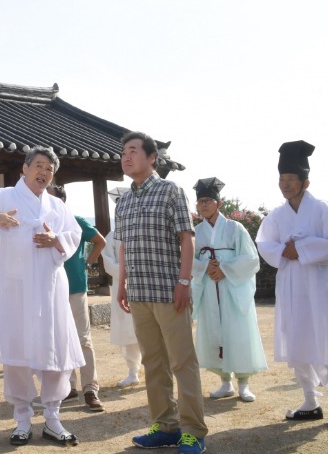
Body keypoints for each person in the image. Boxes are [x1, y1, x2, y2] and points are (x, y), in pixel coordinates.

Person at [0, 146, 84, 446]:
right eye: (39, 166)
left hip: (50, 287)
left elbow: (74, 234)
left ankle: (53, 417)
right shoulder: (3, 196)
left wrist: (56, 239)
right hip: (15, 287)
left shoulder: (57, 206)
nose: (44, 173)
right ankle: (21, 419)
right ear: (25, 168)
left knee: (53, 347)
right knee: (17, 348)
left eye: (49, 170)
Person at [255, 140, 328, 429]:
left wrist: (302, 248)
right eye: (281, 180)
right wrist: (284, 252)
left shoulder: (323, 210)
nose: (285, 185)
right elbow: (265, 243)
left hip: (322, 286)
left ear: (305, 181)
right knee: (297, 338)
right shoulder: (277, 215)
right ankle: (310, 400)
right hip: (292, 286)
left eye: (290, 179)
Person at [114, 132, 207, 454]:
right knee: (153, 363)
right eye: (123, 152)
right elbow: (124, 245)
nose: (126, 157)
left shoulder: (171, 192)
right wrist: (122, 283)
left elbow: (187, 238)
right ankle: (165, 425)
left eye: (133, 151)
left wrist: (184, 283)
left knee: (183, 362)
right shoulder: (123, 200)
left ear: (152, 158)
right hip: (139, 292)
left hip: (170, 291)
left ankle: (193, 431)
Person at [190, 177, 267, 402]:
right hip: (209, 289)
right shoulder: (196, 232)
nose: (203, 205)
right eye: (200, 201)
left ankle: (244, 384)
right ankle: (225, 383)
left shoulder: (235, 228)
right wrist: (205, 267)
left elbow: (251, 259)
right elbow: (187, 261)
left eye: (208, 200)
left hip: (233, 290)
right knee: (214, 332)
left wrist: (224, 269)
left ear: (219, 203)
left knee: (238, 332)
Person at [48, 184, 107, 412]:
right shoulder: (46, 223)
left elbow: (100, 240)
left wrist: (88, 262)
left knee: (82, 338)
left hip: (75, 286)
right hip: (52, 288)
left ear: (62, 200)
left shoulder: (77, 220)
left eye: (52, 198)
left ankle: (90, 388)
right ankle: (68, 387)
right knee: (60, 338)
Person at [101, 186, 142, 388]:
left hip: (143, 285)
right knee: (127, 330)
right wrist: (124, 272)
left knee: (149, 328)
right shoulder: (112, 235)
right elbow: (107, 261)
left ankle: (156, 369)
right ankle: (133, 371)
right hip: (121, 286)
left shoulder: (142, 231)